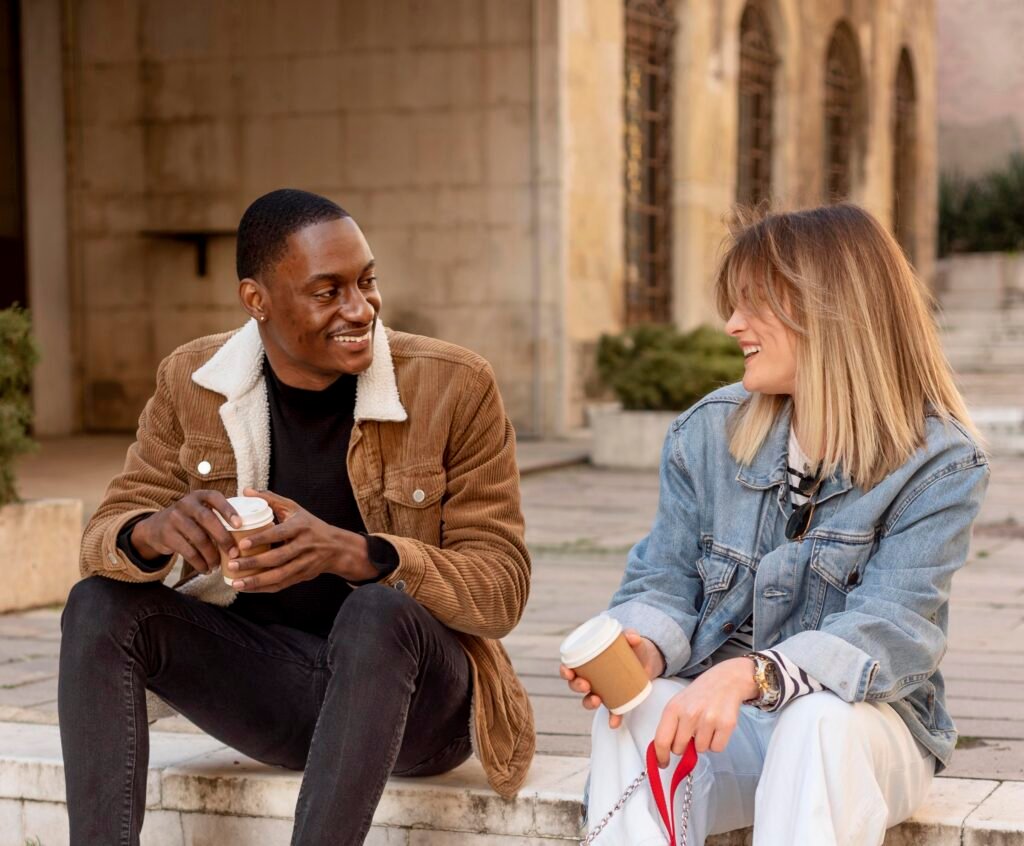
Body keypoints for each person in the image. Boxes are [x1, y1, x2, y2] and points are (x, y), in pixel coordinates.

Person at [58, 188, 535, 846]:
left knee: (377, 612)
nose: (359, 308)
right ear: (257, 301)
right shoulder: (191, 381)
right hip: (277, 693)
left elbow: (501, 588)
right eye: (328, 290)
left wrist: (357, 555)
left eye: (367, 282)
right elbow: (105, 533)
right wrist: (155, 531)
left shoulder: (455, 385)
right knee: (98, 605)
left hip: (419, 709)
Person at [562, 204, 989, 845]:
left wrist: (752, 675)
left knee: (817, 720)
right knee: (634, 715)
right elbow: (665, 576)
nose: (732, 325)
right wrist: (642, 648)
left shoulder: (939, 463)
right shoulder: (708, 432)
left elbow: (890, 630)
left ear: (831, 314)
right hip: (735, 730)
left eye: (753, 305)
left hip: (864, 733)